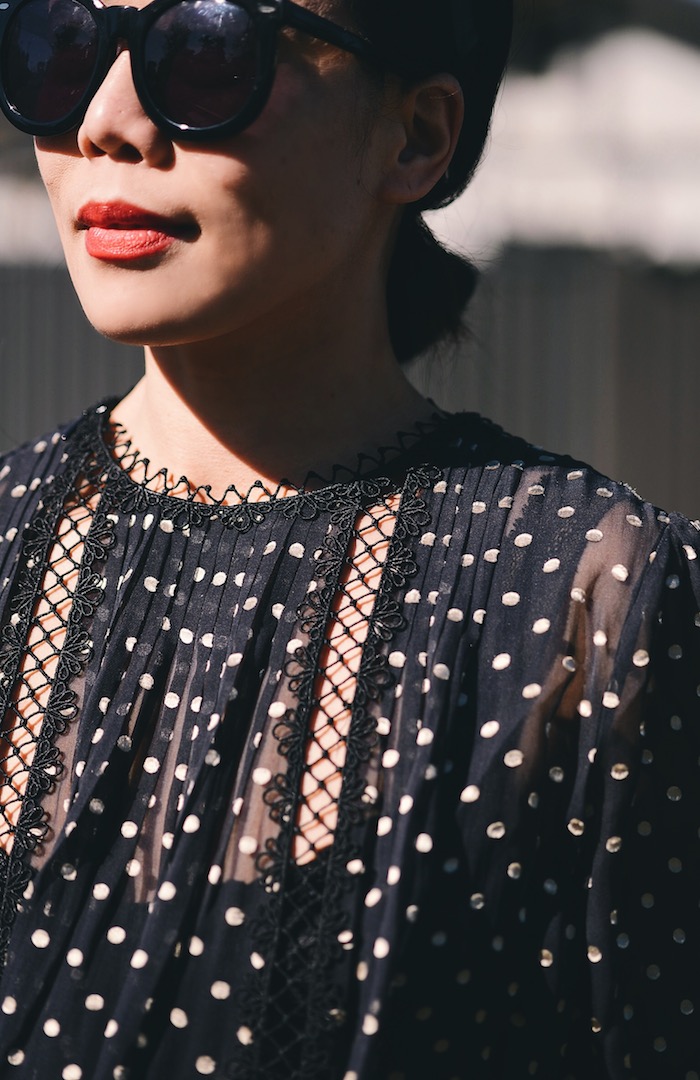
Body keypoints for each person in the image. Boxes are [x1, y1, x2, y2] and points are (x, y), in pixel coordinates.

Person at [0, 0, 697, 1077]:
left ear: (414, 136)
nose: (105, 120)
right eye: (55, 42)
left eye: (205, 49)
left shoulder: (586, 595)